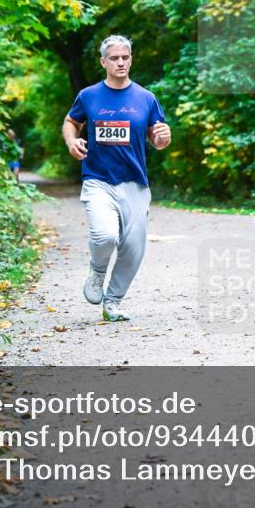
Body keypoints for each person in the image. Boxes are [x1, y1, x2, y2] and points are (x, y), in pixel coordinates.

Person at [62, 35, 172, 322]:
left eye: (125, 57)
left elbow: (156, 138)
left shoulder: (146, 98)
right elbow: (71, 122)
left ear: (131, 60)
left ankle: (112, 302)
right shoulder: (89, 95)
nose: (120, 62)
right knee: (105, 234)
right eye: (114, 58)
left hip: (135, 183)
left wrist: (163, 139)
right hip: (98, 179)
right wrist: (71, 142)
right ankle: (97, 272)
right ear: (103, 62)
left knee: (134, 249)